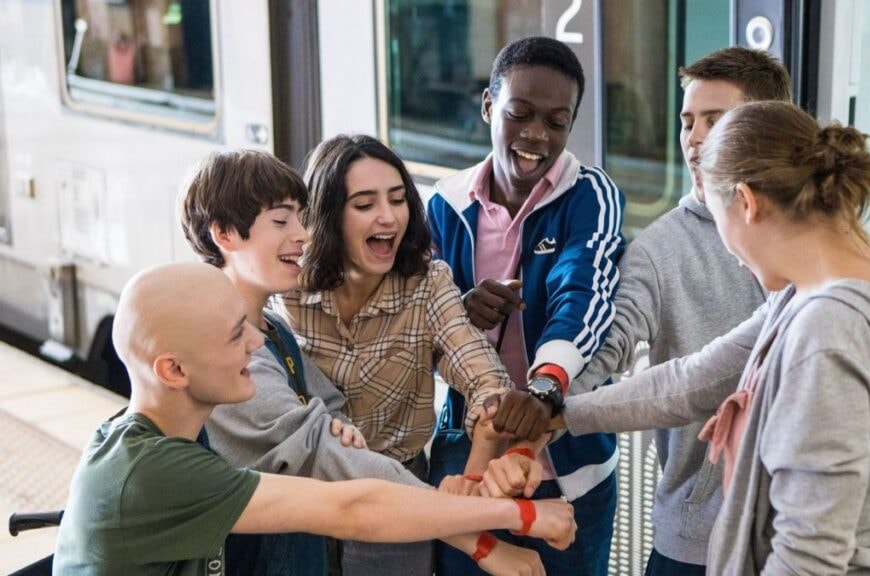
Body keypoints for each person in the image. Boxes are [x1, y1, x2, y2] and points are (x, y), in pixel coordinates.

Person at [538, 101, 870, 574]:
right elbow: (699, 377)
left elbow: (806, 557)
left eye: (720, 222)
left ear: (747, 202)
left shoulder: (825, 336)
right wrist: (564, 415)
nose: (733, 258)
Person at [52, 262, 576, 575]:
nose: (258, 342)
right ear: (173, 369)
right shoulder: (152, 474)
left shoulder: (165, 441)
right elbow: (351, 506)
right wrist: (519, 519)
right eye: (237, 335)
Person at [178, 149, 541, 575]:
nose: (301, 234)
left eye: (397, 199)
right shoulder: (231, 343)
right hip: (290, 528)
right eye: (282, 221)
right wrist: (480, 538)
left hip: (373, 504)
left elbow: (329, 414)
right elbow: (321, 450)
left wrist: (340, 428)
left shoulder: (272, 329)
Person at [571, 47, 791, 575]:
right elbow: (612, 342)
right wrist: (552, 393)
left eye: (714, 121)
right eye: (687, 121)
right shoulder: (659, 248)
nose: (693, 139)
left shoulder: (814, 243)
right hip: (696, 541)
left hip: (794, 529)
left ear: (764, 130)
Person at [428, 36, 625, 575]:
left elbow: (581, 291)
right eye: (520, 113)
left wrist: (544, 387)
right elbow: (420, 315)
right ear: (490, 106)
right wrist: (461, 313)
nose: (536, 135)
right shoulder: (445, 205)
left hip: (565, 464)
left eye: (557, 122)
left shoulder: (591, 196)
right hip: (469, 448)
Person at [269, 136, 522, 505]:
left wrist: (472, 488)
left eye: (398, 199)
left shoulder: (428, 284)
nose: (388, 216)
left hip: (399, 487)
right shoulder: (289, 284)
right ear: (329, 215)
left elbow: (488, 383)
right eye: (365, 204)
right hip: (305, 487)